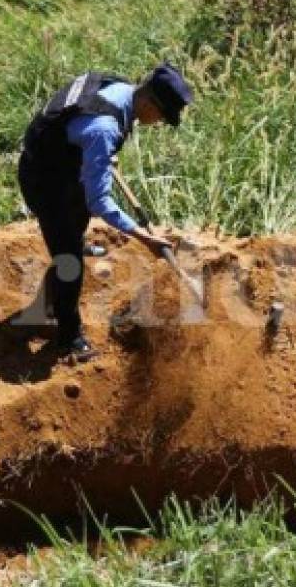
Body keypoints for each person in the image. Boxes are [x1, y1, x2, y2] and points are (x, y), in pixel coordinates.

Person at [17, 62, 194, 362]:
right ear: (148, 102)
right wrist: (142, 236)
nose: (160, 122)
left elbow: (80, 131)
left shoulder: (120, 89)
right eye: (163, 116)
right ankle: (69, 339)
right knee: (69, 263)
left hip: (64, 168)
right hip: (43, 180)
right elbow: (100, 202)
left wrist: (97, 158)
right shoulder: (104, 129)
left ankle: (68, 244)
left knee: (74, 227)